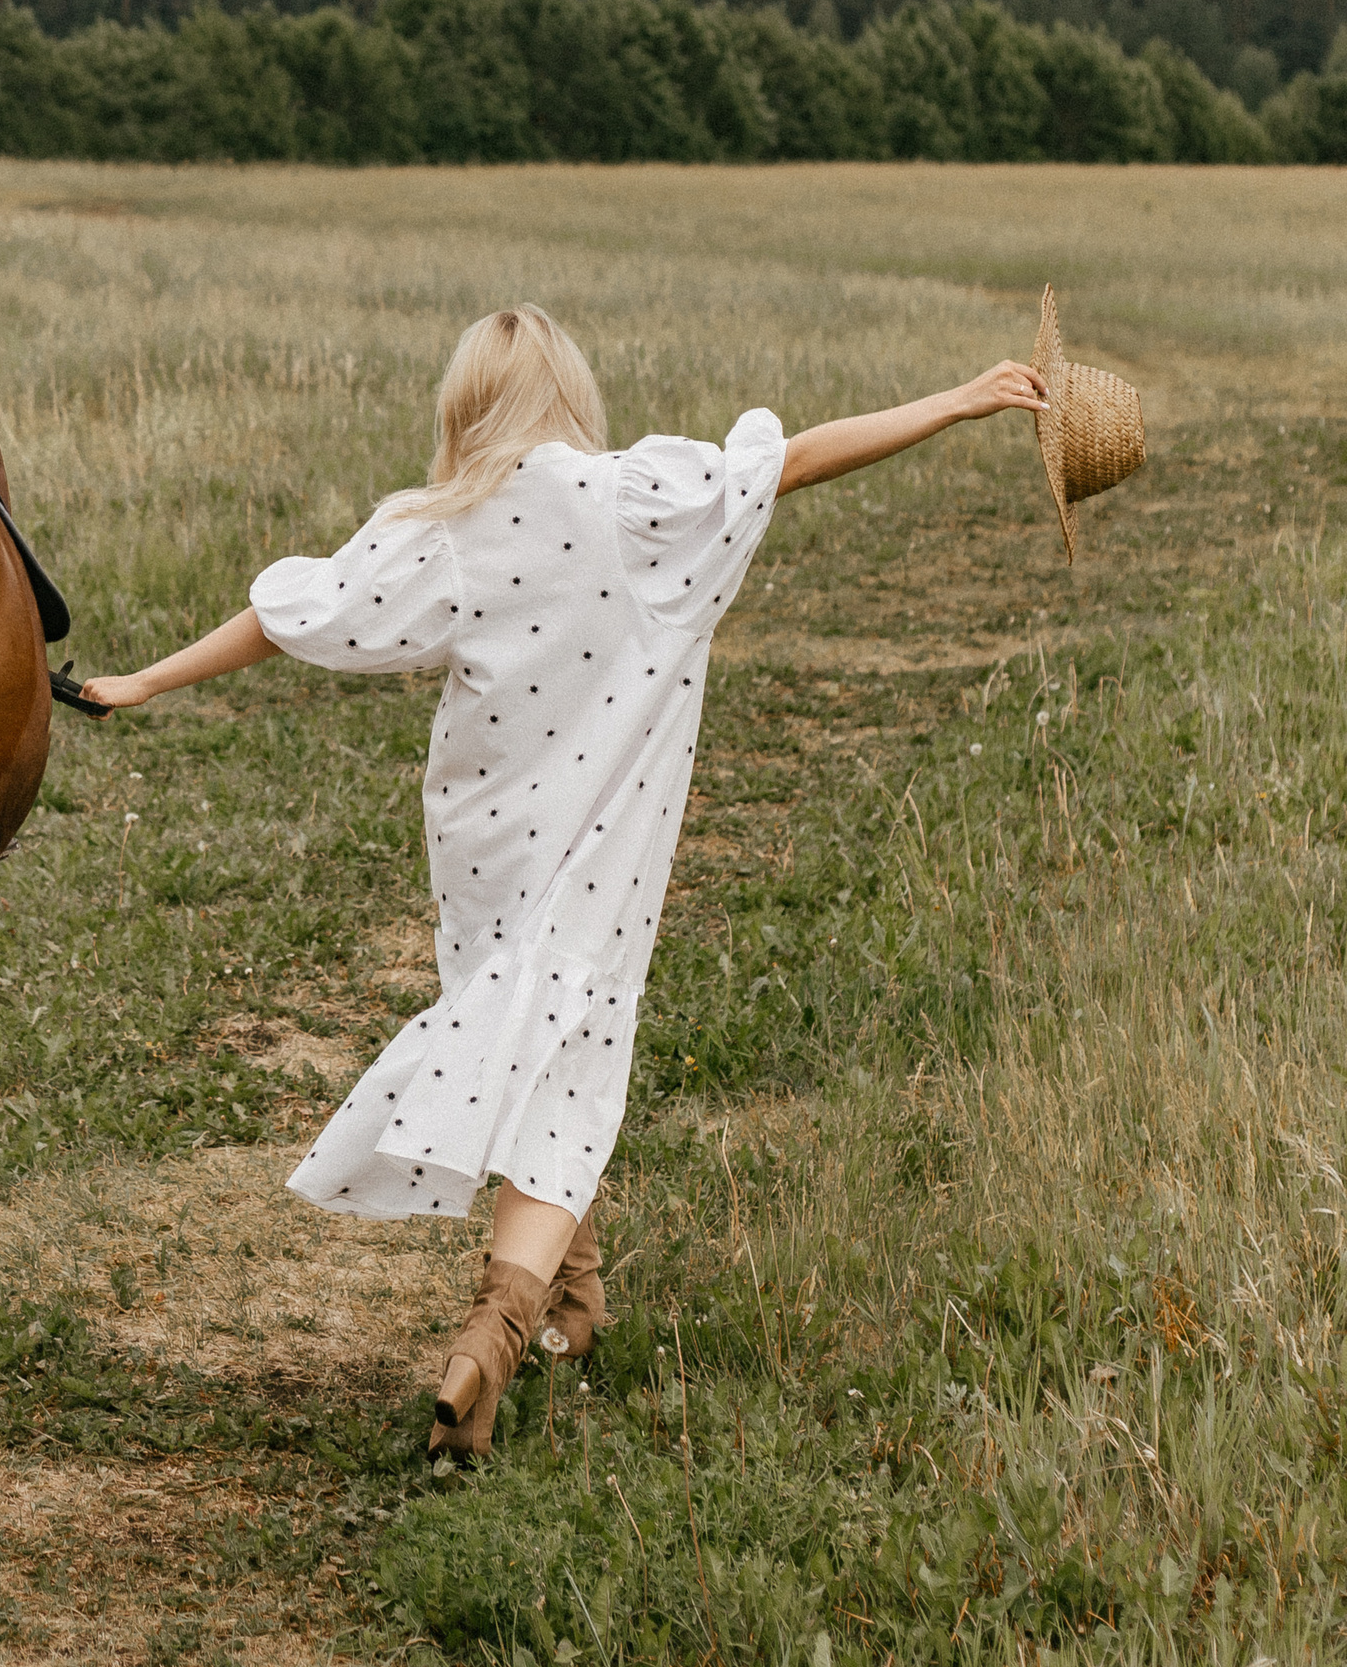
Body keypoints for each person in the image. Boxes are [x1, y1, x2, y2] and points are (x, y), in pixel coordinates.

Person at [80, 305, 1048, 1457]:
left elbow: (291, 617)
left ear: (465, 405)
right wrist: (950, 400)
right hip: (601, 843)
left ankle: (574, 1310)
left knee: (531, 1036)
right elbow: (798, 457)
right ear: (570, 393)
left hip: (487, 841)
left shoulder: (444, 525)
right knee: (572, 1058)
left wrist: (145, 679)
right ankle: (492, 1333)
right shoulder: (635, 498)